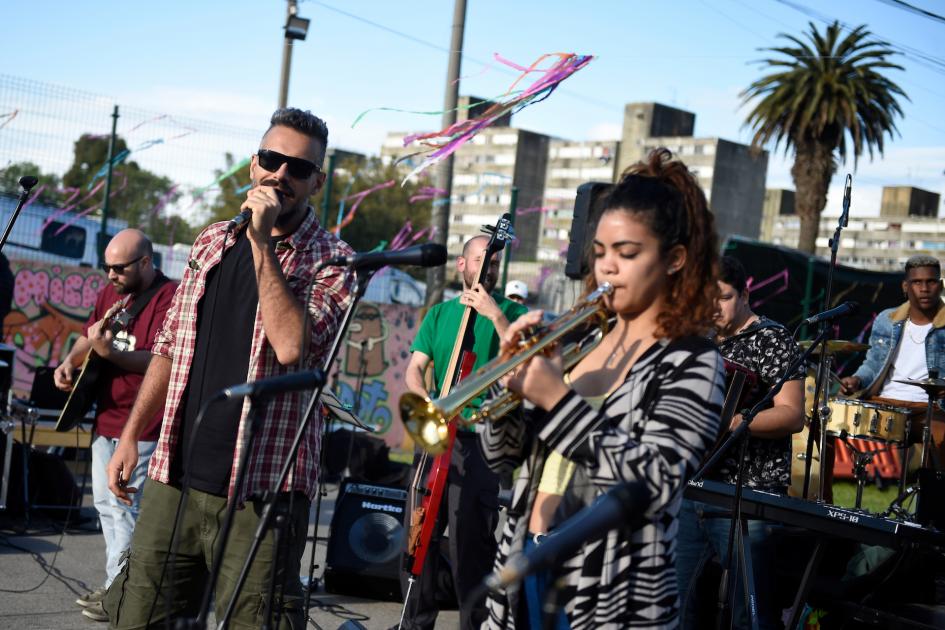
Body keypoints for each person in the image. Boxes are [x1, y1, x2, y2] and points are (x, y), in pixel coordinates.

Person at [102, 108, 355, 628]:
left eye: (298, 169)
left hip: (261, 491)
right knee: (138, 616)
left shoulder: (333, 260)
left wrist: (262, 242)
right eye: (271, 159)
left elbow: (291, 347)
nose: (280, 175)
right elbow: (170, 349)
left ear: (317, 182)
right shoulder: (211, 241)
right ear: (252, 166)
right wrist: (131, 435)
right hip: (175, 474)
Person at [480, 148, 726, 629]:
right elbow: (501, 459)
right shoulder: (584, 342)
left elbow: (653, 483)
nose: (607, 268)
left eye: (627, 253)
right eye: (600, 253)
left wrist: (556, 399)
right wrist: (508, 392)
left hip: (613, 592)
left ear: (675, 259)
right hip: (524, 565)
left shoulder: (693, 359)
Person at [399, 235, 529, 630]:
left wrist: (495, 315)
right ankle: (413, 622)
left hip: (478, 439)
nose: (489, 270)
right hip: (434, 434)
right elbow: (415, 368)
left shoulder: (512, 311)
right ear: (462, 264)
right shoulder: (439, 314)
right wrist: (426, 402)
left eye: (493, 264)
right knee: (418, 537)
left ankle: (475, 625)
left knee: (471, 544)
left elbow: (523, 364)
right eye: (481, 261)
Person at [675, 255, 806, 630]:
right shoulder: (699, 339)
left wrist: (735, 422)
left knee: (750, 614)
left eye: (724, 297)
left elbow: (792, 414)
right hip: (696, 487)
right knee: (680, 606)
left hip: (749, 492)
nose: (713, 307)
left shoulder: (772, 338)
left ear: (746, 294)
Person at [52, 230, 176, 623]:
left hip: (143, 426)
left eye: (119, 268)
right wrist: (70, 361)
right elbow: (90, 336)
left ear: (144, 262)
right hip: (106, 420)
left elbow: (163, 360)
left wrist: (112, 353)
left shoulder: (169, 298)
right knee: (107, 507)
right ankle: (117, 587)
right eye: (106, 267)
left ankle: (121, 595)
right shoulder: (113, 293)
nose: (110, 274)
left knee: (126, 510)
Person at [840, 254, 945, 467]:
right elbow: (872, 363)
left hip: (929, 409)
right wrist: (857, 379)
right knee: (823, 419)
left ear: (940, 285)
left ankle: (934, 498)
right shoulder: (886, 320)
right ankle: (821, 497)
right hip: (883, 403)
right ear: (905, 286)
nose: (924, 288)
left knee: (942, 439)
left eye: (931, 281)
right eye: (917, 282)